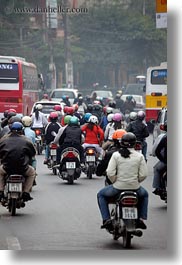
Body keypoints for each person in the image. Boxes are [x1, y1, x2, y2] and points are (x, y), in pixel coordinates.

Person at [97, 132, 148, 230]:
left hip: (117, 187)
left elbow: (110, 173)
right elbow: (143, 174)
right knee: (145, 195)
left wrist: (116, 181)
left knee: (101, 195)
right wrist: (135, 182)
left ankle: (106, 220)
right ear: (134, 143)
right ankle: (141, 218)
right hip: (135, 188)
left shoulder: (116, 155)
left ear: (121, 143)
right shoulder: (139, 156)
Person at [0, 122, 36, 202]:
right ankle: (26, 192)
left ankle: (1, 191)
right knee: (32, 172)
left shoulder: (4, 139)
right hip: (23, 168)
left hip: (7, 168)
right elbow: (33, 153)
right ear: (21, 130)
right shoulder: (26, 140)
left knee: (0, 173)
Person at [152, 121, 167, 197]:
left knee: (156, 169)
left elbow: (157, 150)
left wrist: (163, 159)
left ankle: (157, 187)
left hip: (166, 162)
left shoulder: (164, 137)